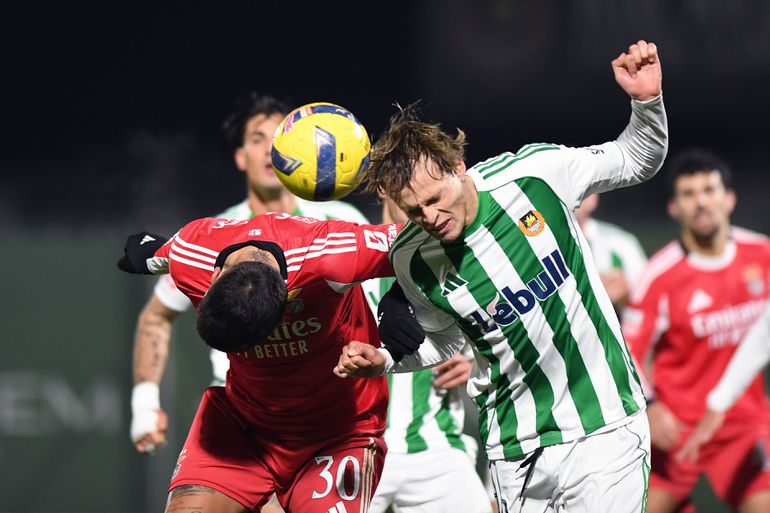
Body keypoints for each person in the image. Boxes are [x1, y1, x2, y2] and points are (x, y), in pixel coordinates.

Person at [335, 40, 666, 512]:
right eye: (413, 211)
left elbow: (637, 158)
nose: (429, 216)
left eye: (434, 198)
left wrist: (646, 102)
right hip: (513, 449)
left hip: (605, 423)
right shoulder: (411, 256)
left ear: (456, 165)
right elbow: (448, 340)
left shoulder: (536, 176)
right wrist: (385, 361)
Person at [130, 93, 370, 457]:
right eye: (258, 139)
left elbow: (389, 298)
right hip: (240, 416)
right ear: (241, 157)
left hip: (328, 417)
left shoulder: (343, 222)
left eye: (280, 139)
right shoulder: (213, 237)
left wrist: (444, 347)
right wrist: (144, 404)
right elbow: (157, 315)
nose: (270, 150)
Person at [119, 211, 406, 513]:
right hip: (242, 426)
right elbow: (150, 252)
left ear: (286, 294)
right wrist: (144, 253)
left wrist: (399, 300)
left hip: (338, 434)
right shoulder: (190, 254)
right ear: (213, 276)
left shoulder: (331, 251)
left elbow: (426, 241)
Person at [622, 149, 770, 513]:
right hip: (678, 429)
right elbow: (625, 352)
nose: (701, 202)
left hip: (744, 424)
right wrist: (650, 407)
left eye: (709, 190)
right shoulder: (660, 276)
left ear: (729, 199)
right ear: (674, 208)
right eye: (689, 194)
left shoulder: (762, 255)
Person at [368, 198, 492, 513]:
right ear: (385, 188)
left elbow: (497, 339)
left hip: (437, 446)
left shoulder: (455, 258)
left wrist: (473, 361)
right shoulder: (352, 260)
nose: (421, 203)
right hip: (360, 446)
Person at [574, 193, 647, 311]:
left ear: (592, 197)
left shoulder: (621, 243)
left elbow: (650, 301)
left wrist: (626, 296)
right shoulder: (539, 248)